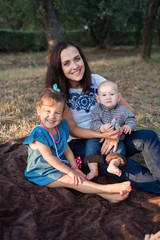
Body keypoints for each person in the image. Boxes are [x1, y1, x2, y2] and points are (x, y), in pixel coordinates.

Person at [45, 40, 160, 194]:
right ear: (59, 68)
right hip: (84, 145)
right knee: (125, 166)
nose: (75, 66)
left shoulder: (97, 81)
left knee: (148, 136)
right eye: (66, 63)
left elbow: (128, 111)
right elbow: (73, 130)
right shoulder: (60, 94)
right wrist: (103, 135)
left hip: (113, 134)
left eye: (77, 59)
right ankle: (156, 185)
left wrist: (116, 132)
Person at [23, 88, 132, 203]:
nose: (52, 116)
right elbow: (50, 158)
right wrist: (70, 171)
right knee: (72, 180)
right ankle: (108, 189)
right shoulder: (39, 133)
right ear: (39, 110)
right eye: (47, 111)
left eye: (57, 112)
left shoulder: (61, 126)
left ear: (62, 114)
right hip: (41, 173)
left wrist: (74, 167)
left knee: (78, 177)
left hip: (58, 166)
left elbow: (67, 150)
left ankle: (106, 196)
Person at [85, 80, 137, 180]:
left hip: (117, 140)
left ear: (118, 97)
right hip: (99, 138)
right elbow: (94, 123)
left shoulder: (122, 109)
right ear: (98, 99)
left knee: (119, 149)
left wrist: (129, 126)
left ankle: (113, 164)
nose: (108, 97)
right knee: (90, 145)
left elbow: (131, 118)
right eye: (104, 95)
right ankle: (93, 169)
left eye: (112, 94)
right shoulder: (97, 110)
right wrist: (101, 127)